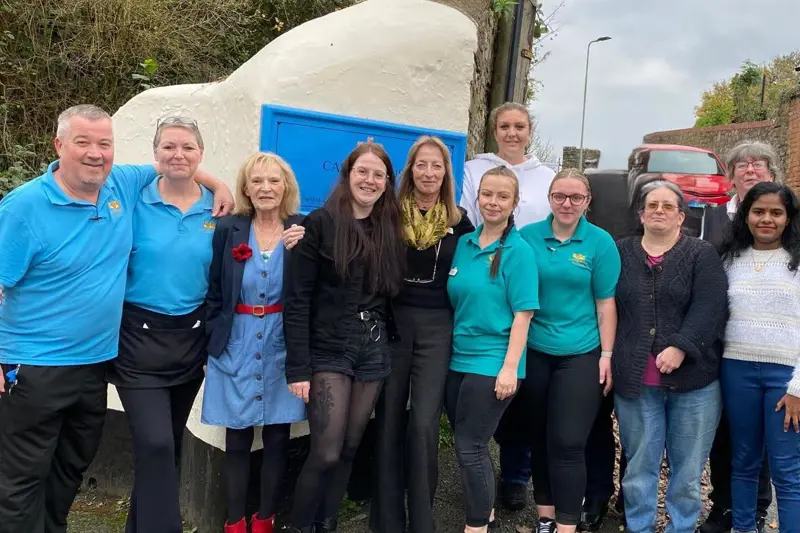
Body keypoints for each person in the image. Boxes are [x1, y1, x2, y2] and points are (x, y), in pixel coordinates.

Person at [0, 104, 232, 533]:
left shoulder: (118, 184)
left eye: (104, 144)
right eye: (82, 142)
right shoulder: (25, 206)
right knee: (21, 478)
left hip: (95, 363)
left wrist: (217, 184)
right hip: (33, 365)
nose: (95, 153)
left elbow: (176, 165)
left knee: (69, 470)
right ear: (58, 145)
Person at [283, 141, 405, 533]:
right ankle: (301, 526)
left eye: (378, 174)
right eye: (362, 172)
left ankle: (327, 523)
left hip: (372, 349)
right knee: (327, 451)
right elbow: (297, 300)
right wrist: (297, 367)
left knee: (351, 446)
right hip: (329, 347)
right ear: (348, 175)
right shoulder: (319, 224)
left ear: (387, 182)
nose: (370, 180)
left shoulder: (390, 228)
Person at [371, 136, 474, 533]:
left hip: (438, 327)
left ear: (446, 172)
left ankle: (422, 522)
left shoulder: (459, 222)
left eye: (437, 165)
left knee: (424, 424)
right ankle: (386, 521)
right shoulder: (389, 214)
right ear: (409, 170)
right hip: (394, 324)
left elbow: (487, 256)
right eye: (421, 165)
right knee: (389, 420)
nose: (429, 173)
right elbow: (347, 227)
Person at [614, 180, 728, 533]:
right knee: (639, 468)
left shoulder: (701, 253)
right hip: (636, 383)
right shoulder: (621, 251)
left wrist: (681, 345)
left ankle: (681, 527)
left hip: (694, 383)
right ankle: (640, 527)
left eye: (667, 206)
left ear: (681, 216)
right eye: (652, 205)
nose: (659, 211)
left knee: (688, 472)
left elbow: (712, 306)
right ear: (641, 214)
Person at [201, 152, 306, 533]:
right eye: (257, 181)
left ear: (286, 187)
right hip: (236, 341)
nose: (265, 188)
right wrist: (210, 345)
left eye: (274, 180)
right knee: (237, 437)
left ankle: (265, 520)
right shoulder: (229, 229)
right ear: (246, 188)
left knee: (277, 437)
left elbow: (316, 288)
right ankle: (234, 522)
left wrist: (305, 249)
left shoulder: (301, 229)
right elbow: (214, 291)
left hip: (282, 341)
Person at [460, 101, 556, 510]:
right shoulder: (474, 169)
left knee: (521, 390)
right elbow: (466, 219)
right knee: (486, 394)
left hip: (530, 282)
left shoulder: (546, 176)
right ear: (494, 130)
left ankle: (516, 474)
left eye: (519, 126)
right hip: (486, 280)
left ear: (530, 131)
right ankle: (482, 466)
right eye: (504, 126)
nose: (512, 133)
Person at [520, 168, 620, 533]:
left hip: (580, 352)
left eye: (576, 197)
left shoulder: (600, 242)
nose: (567, 203)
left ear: (587, 201)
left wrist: (607, 355)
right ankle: (545, 518)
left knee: (568, 441)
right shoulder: (527, 237)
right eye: (560, 196)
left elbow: (605, 303)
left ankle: (567, 525)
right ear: (549, 198)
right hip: (534, 350)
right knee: (539, 436)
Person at [446, 165, 538, 533]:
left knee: (470, 445)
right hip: (457, 359)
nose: (493, 202)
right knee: (470, 445)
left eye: (503, 196)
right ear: (477, 198)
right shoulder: (464, 244)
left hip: (494, 360)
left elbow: (523, 314)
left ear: (515, 203)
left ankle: (476, 527)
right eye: (487, 194)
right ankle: (486, 515)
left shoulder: (519, 251)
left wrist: (510, 367)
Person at [698, 141, 780, 533]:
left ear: (772, 174)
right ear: (729, 176)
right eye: (741, 165)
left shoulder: (784, 218)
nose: (749, 170)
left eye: (758, 164)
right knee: (724, 430)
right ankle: (724, 505)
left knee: (758, 433)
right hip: (721, 340)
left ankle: (757, 507)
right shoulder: (712, 218)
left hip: (768, 341)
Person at [719, 182, 800, 533]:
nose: (767, 219)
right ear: (746, 215)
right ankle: (743, 527)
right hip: (736, 371)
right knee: (744, 460)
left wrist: (798, 388)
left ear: (788, 218)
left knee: (787, 468)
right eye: (759, 211)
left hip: (786, 377)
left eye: (776, 212)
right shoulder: (728, 260)